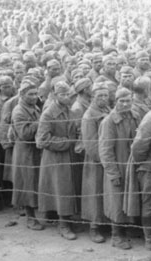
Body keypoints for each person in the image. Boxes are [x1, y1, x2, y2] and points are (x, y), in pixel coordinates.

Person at [99, 87, 140, 249]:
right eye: (121, 101)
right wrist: (113, 173)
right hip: (117, 167)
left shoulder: (135, 116)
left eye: (128, 100)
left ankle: (127, 230)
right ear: (115, 102)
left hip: (132, 166)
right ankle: (116, 236)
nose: (125, 104)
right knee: (116, 202)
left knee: (128, 200)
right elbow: (105, 150)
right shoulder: (109, 122)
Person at [36, 81, 78, 240]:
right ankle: (63, 224)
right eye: (63, 94)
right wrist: (67, 142)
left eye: (68, 94)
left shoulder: (69, 110)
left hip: (69, 157)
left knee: (67, 189)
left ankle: (66, 218)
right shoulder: (48, 113)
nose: (67, 97)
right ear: (54, 95)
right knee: (61, 190)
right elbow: (41, 140)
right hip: (55, 158)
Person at [129, 92, 151, 252]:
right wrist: (144, 163)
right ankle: (150, 239)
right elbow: (138, 146)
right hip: (149, 166)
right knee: (149, 203)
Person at [80, 82, 111, 243]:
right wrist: (104, 160)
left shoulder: (107, 110)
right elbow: (91, 145)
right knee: (95, 194)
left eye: (106, 95)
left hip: (107, 159)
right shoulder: (89, 116)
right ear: (92, 97)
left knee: (106, 193)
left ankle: (105, 223)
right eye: (100, 96)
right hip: (96, 162)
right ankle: (94, 227)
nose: (104, 98)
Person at [10, 79, 42, 230]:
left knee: (35, 182)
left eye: (36, 93)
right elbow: (24, 134)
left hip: (34, 152)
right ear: (22, 95)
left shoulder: (33, 107)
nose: (34, 96)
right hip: (25, 153)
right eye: (31, 94)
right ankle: (30, 218)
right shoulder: (19, 111)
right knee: (26, 184)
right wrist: (40, 122)